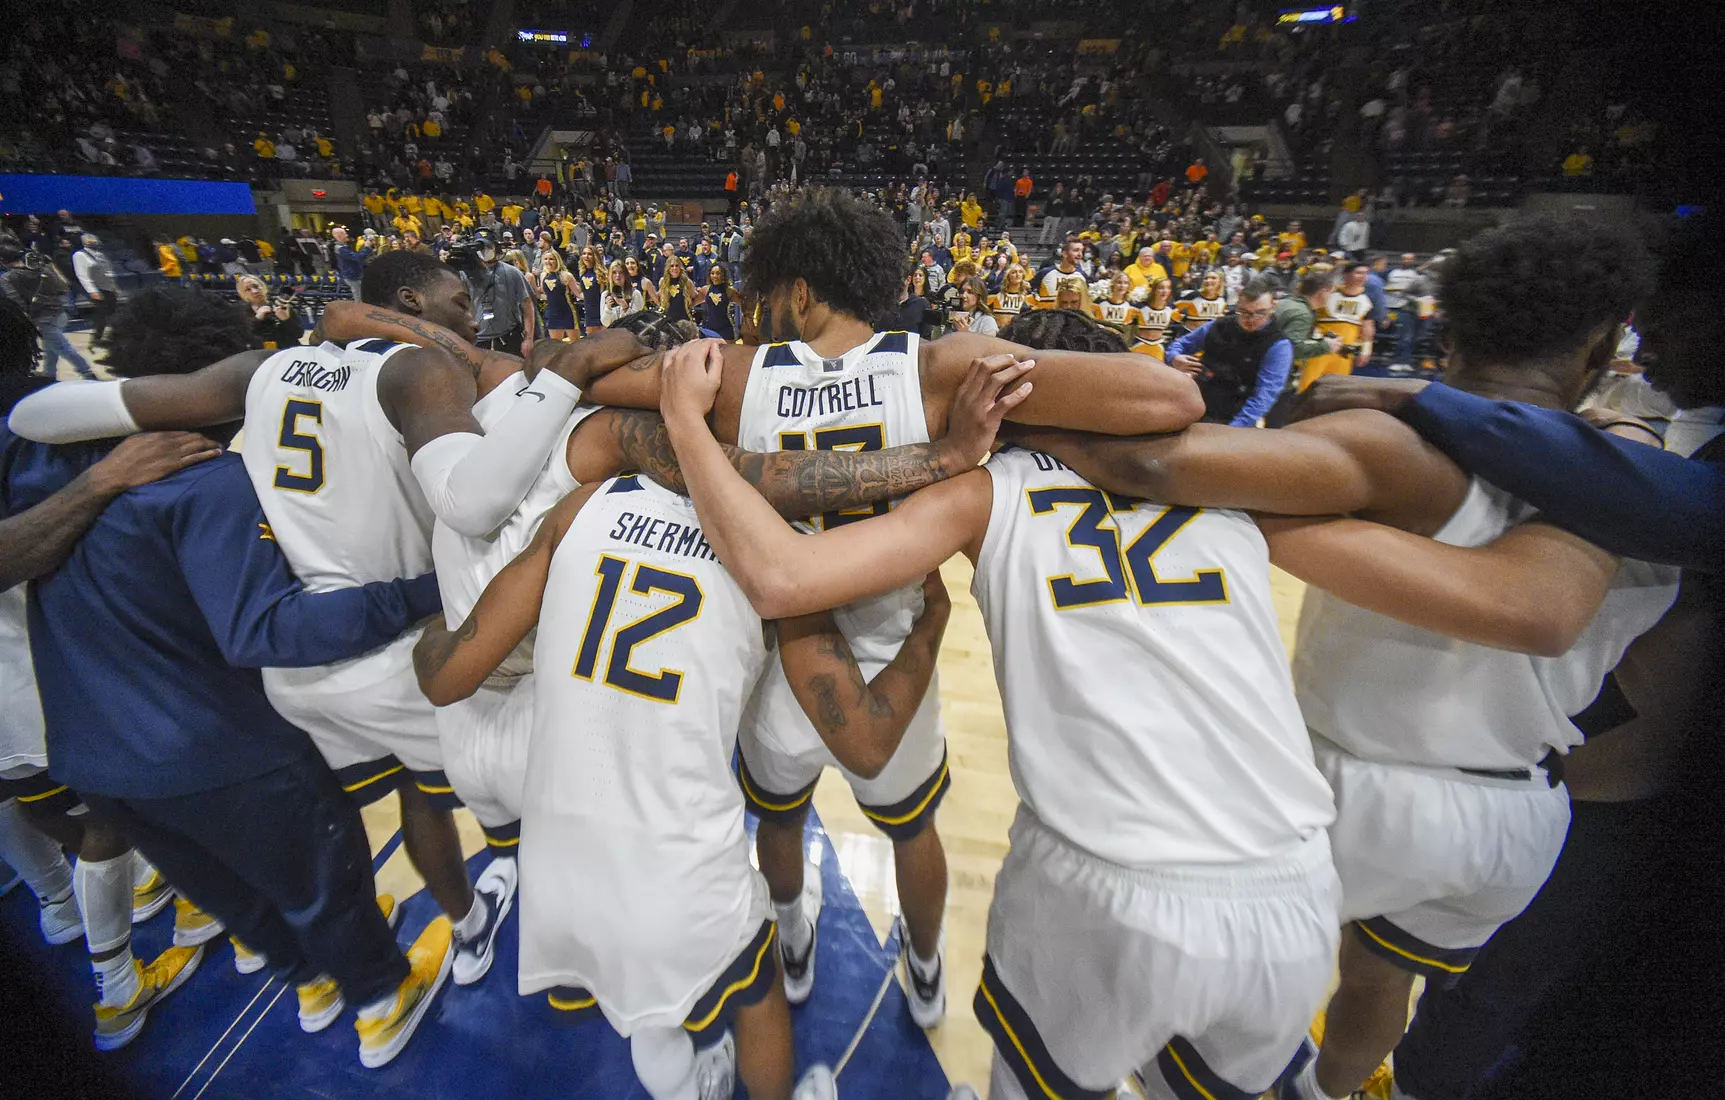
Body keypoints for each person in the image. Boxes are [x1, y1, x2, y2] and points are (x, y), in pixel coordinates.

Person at [998, 214, 1670, 1100]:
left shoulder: (1387, 440)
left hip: (1349, 788)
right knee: (1380, 983)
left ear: (1447, 328)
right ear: (1603, 346)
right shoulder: (1645, 475)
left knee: (1213, 998)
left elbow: (1155, 467)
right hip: (1514, 812)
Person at [571, 187, 1204, 1032]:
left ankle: (791, 938)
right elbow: (1166, 398)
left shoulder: (736, 375)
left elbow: (595, 381)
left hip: (784, 651)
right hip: (897, 640)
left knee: (778, 818)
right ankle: (927, 965)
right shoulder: (939, 366)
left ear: (797, 291)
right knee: (912, 830)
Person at [658, 327, 1342, 1100]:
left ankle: (812, 943)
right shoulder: (1236, 479)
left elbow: (783, 577)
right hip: (1294, 884)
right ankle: (923, 969)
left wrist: (685, 424)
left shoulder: (985, 492)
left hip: (1098, 875)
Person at [9, 250, 640, 992]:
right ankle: (579, 948)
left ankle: (469, 926)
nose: (472, 317)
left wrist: (105, 474)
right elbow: (471, 503)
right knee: (549, 796)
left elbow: (33, 415)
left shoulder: (263, 369)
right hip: (405, 652)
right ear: (410, 303)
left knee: (418, 799)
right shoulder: (419, 371)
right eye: (457, 302)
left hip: (299, 674)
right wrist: (564, 374)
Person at [1, 287, 452, 1067]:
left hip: (93, 753)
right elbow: (267, 630)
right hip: (213, 747)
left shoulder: (60, 478)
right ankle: (382, 999)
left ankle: (311, 984)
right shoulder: (209, 483)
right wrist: (423, 592)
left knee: (234, 897)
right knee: (328, 880)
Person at [1166, 277, 1295, 426]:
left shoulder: (1279, 346)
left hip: (1233, 418)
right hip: (1193, 406)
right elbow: (1180, 344)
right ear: (1237, 305)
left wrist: (1234, 429)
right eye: (1244, 312)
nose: (1251, 319)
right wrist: (1174, 357)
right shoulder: (1219, 325)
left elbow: (1264, 395)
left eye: (1260, 313)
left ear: (1273, 307)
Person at [0, 243, 93, 380]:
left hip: (42, 318)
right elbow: (63, 287)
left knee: (61, 347)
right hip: (60, 313)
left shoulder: (6, 278)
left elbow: (15, 300)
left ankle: (87, 372)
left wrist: (26, 318)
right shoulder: (43, 269)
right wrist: (49, 267)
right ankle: (49, 374)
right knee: (50, 347)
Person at [1297, 262, 1376, 390]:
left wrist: (1366, 350)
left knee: (1337, 389)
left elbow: (1368, 328)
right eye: (1358, 273)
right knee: (1307, 385)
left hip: (1344, 351)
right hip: (1320, 348)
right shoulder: (1328, 293)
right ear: (1346, 275)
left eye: (1366, 273)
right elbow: (1309, 314)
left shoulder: (1366, 300)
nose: (1363, 276)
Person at [463, 231, 536, 356]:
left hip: (509, 338)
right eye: (480, 247)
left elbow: (527, 305)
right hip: (478, 341)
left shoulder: (512, 272)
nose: (484, 251)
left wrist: (528, 339)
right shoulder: (465, 274)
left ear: (496, 247)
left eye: (488, 246)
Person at [1275, 271, 1347, 387]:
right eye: (1331, 293)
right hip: (1274, 375)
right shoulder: (1303, 314)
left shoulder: (1287, 302)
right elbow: (1292, 349)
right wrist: (1326, 346)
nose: (1331, 297)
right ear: (1322, 293)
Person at [71, 236, 119, 347]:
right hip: (97, 288)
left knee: (112, 312)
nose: (94, 242)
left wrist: (114, 287)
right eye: (91, 240)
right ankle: (96, 338)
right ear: (85, 242)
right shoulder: (79, 255)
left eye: (95, 240)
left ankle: (113, 336)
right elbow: (82, 275)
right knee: (102, 314)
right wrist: (92, 291)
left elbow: (109, 271)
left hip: (108, 287)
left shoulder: (100, 254)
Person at [235, 274, 304, 349]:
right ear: (243, 294)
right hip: (260, 354)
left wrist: (286, 319)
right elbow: (242, 339)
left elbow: (299, 334)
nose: (255, 291)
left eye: (256, 286)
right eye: (248, 289)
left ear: (263, 287)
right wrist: (257, 319)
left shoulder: (281, 306)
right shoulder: (241, 312)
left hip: (286, 351)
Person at [538, 251, 580, 342]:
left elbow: (578, 293)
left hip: (567, 312)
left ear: (557, 260)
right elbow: (544, 293)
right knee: (556, 345)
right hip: (552, 313)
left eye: (551, 259)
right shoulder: (543, 275)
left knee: (576, 344)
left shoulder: (566, 275)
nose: (548, 261)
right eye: (546, 259)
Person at [699, 264, 742, 341]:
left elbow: (744, 306)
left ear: (723, 275)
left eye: (718, 273)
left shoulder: (730, 291)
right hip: (709, 329)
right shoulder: (705, 290)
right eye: (712, 273)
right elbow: (690, 303)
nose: (715, 276)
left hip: (726, 329)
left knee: (729, 349)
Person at [602, 259, 646, 327]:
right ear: (610, 275)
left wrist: (625, 307)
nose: (617, 275)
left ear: (626, 274)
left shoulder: (635, 293)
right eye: (614, 272)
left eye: (621, 272)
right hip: (613, 332)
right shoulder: (605, 295)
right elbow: (605, 323)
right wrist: (608, 309)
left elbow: (637, 320)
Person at [986, 264, 1030, 329]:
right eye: (1014, 272)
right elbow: (984, 306)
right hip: (997, 330)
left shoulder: (1026, 293)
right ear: (1008, 276)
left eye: (1020, 272)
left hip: (1015, 331)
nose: (1018, 275)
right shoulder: (998, 290)